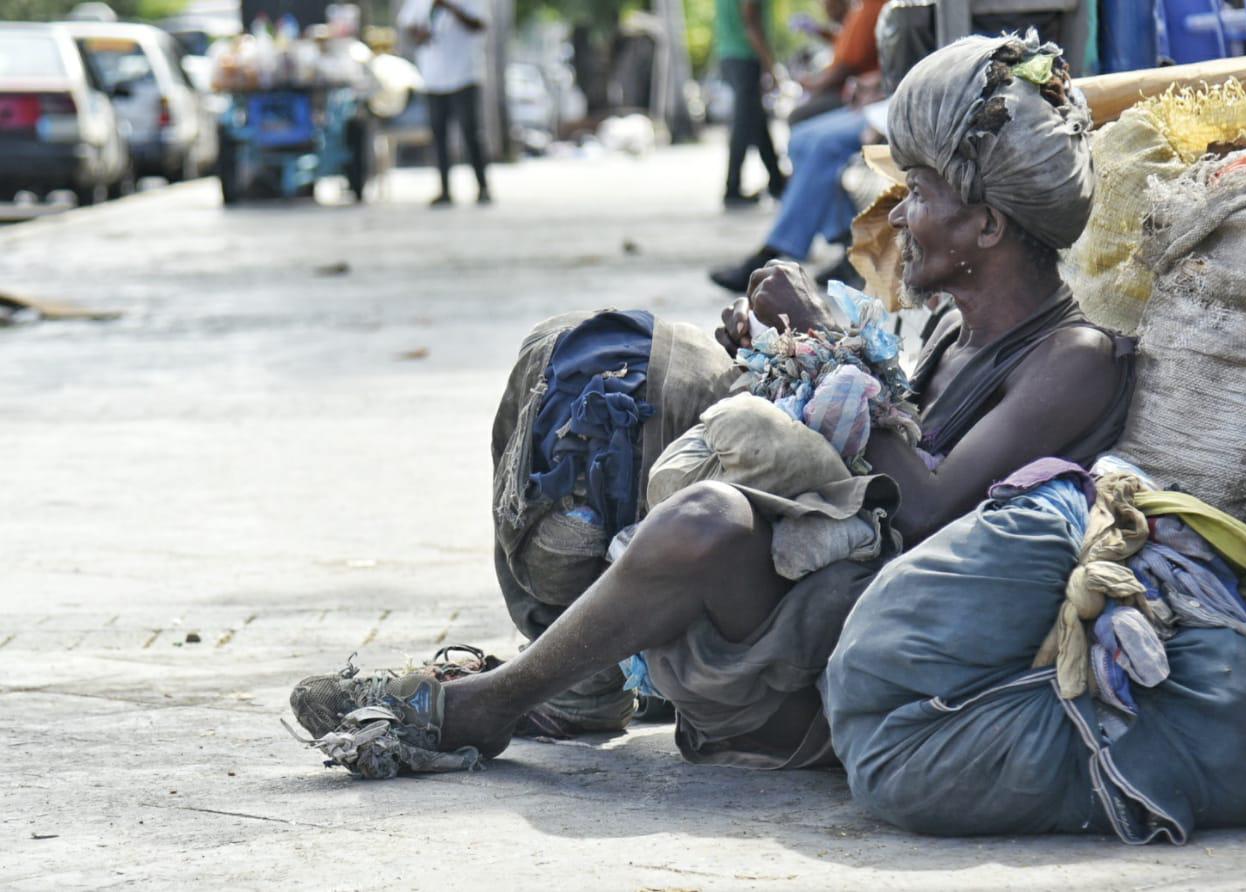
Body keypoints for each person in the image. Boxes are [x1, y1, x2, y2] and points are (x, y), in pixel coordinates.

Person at [289, 33, 1136, 776]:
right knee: (620, 367)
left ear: (987, 228)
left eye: (917, 192)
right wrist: (777, 360)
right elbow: (874, 450)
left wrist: (829, 351)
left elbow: (923, 509)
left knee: (707, 520)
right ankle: (576, 683)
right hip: (823, 601)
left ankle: (489, 705)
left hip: (873, 662)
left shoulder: (1074, 359)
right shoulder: (957, 325)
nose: (898, 215)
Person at [710, 0, 888, 293]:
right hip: (872, 99)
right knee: (803, 137)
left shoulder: (875, 6)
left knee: (813, 139)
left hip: (883, 104)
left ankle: (774, 251)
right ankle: (851, 243)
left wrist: (807, 82)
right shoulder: (864, 9)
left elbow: (848, 63)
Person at [397, 0, 491, 207]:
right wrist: (418, 35)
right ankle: (445, 190)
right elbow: (408, 25)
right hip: (433, 77)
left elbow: (480, 25)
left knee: (471, 133)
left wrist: (450, 7)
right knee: (438, 136)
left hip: (465, 74)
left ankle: (483, 187)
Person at [716, 0, 788, 208]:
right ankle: (732, 187)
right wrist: (770, 64)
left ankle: (776, 182)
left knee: (756, 121)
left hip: (729, 53)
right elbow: (751, 21)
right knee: (744, 123)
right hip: (744, 54)